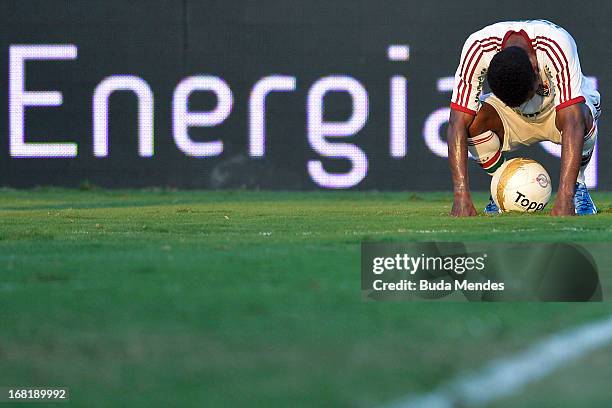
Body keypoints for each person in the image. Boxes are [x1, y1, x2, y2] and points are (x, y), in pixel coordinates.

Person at [448, 20, 600, 216]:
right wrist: (460, 196)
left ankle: (578, 187)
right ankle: (503, 185)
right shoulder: (477, 47)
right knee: (471, 121)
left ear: (535, 66)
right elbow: (456, 122)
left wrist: (565, 198)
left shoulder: (555, 43)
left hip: (556, 110)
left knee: (582, 116)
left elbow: (573, 121)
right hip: (511, 116)